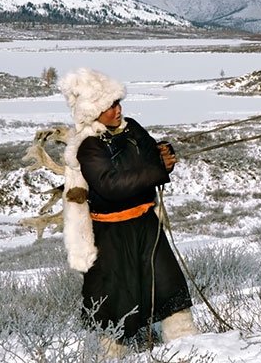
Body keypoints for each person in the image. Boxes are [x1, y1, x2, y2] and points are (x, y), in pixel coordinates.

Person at [58, 68, 196, 357]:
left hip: (145, 225)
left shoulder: (131, 128)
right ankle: (112, 358)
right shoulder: (88, 148)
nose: (118, 110)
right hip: (112, 236)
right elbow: (112, 186)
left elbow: (149, 155)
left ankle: (189, 351)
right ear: (93, 111)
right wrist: (157, 170)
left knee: (169, 289)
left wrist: (163, 154)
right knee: (115, 306)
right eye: (110, 106)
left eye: (118, 103)